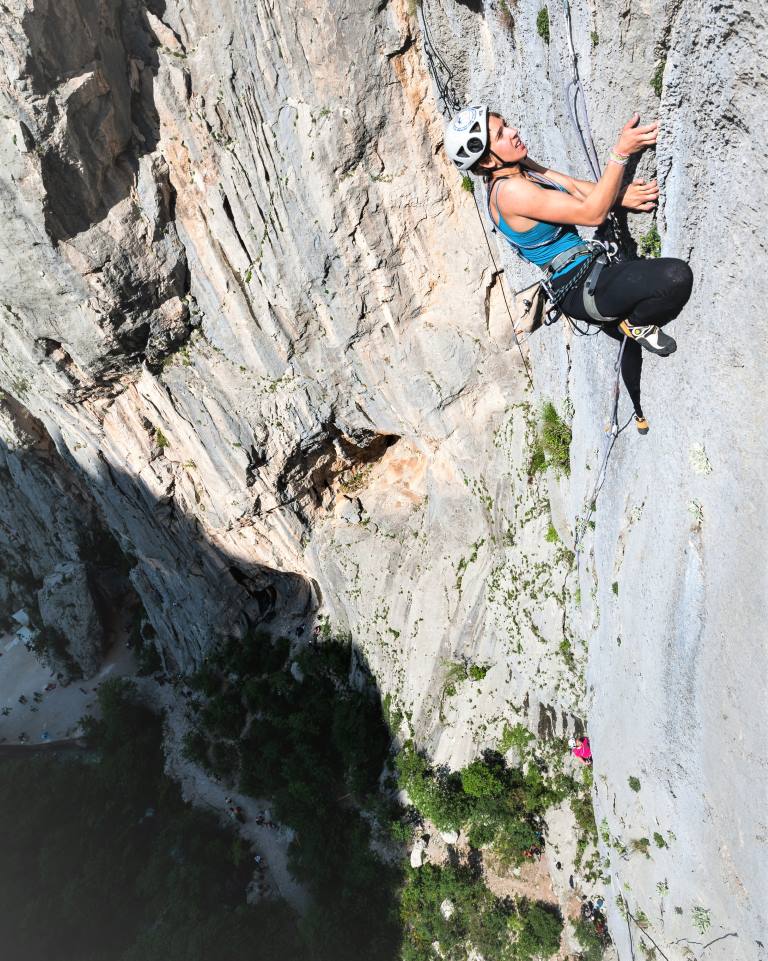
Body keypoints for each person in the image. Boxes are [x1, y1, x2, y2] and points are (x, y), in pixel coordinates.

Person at [444, 106, 694, 434]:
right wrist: (620, 154)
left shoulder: (518, 170)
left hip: (588, 276)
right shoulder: (511, 193)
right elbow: (590, 215)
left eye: (505, 124)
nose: (513, 130)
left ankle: (637, 406)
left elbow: (573, 188)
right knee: (676, 277)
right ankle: (636, 323)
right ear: (489, 160)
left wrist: (617, 196)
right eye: (502, 134)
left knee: (628, 344)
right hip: (580, 288)